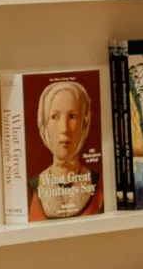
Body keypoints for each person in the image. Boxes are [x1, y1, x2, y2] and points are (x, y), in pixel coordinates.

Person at [30, 79, 97, 219]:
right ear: (44, 125)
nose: (64, 129)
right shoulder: (31, 188)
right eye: (55, 117)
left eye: (72, 116)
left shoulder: (99, 183)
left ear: (84, 125)